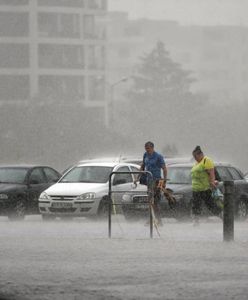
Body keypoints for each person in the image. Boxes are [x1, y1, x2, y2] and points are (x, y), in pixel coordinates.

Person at [137, 141, 167, 225]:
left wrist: (164, 181)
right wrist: (137, 177)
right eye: (146, 149)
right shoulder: (145, 155)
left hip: (157, 180)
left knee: (155, 201)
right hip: (149, 181)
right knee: (150, 201)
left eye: (148, 149)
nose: (147, 150)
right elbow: (142, 166)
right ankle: (151, 219)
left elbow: (164, 169)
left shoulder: (158, 157)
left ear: (152, 148)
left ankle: (158, 220)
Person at [191, 146, 220, 225]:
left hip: (205, 188)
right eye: (194, 156)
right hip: (196, 188)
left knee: (210, 204)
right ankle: (196, 221)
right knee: (196, 205)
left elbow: (211, 173)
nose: (194, 158)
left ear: (200, 154)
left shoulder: (206, 160)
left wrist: (212, 182)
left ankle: (222, 215)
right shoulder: (197, 162)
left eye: (195, 156)